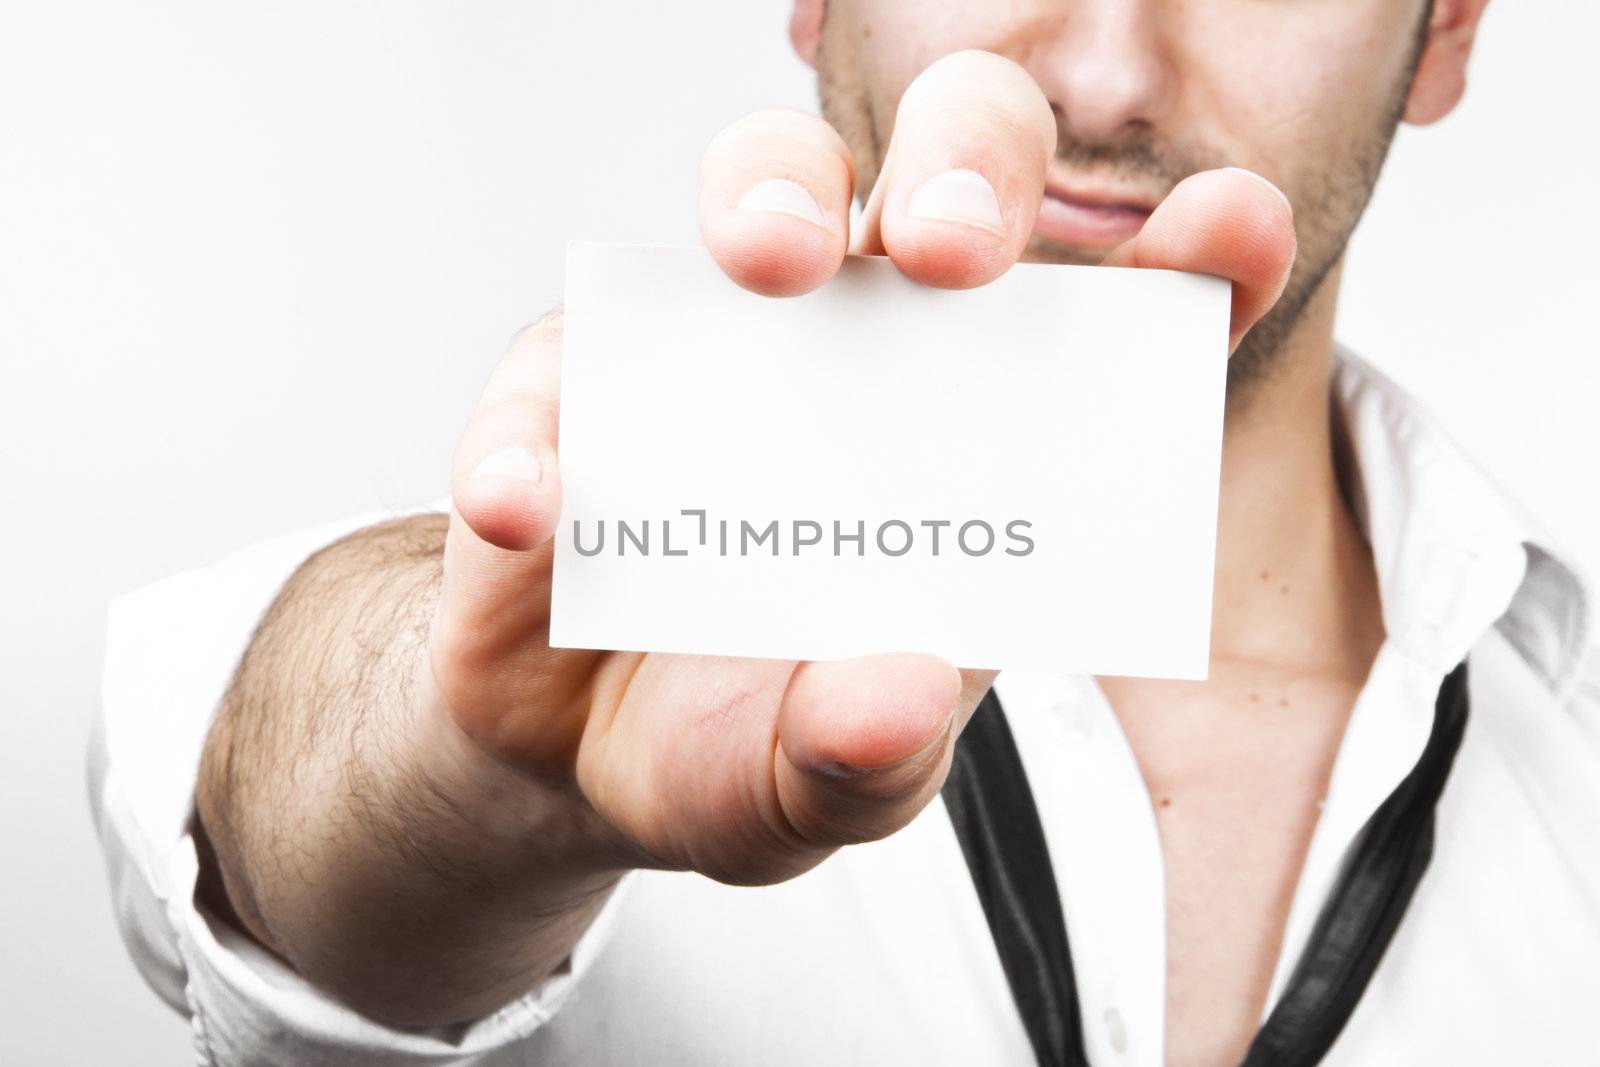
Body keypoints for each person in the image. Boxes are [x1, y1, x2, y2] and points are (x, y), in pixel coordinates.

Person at [90, 1, 1600, 1064]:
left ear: (1449, 26)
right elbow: (280, 798)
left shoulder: (1571, 758)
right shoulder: (614, 634)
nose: (1103, 65)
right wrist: (477, 775)